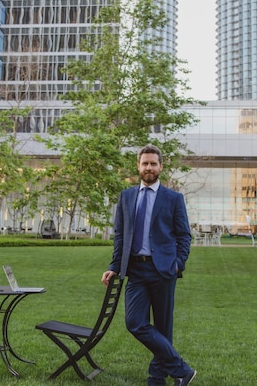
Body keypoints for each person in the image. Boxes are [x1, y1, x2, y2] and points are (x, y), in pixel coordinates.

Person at [101, 144, 196, 386]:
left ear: (161, 167)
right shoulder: (126, 196)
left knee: (164, 327)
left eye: (153, 163)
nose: (149, 167)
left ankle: (157, 378)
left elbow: (184, 235)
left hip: (164, 269)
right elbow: (120, 236)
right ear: (138, 166)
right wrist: (114, 265)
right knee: (135, 323)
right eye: (145, 163)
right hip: (136, 271)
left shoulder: (174, 198)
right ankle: (181, 370)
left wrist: (178, 264)